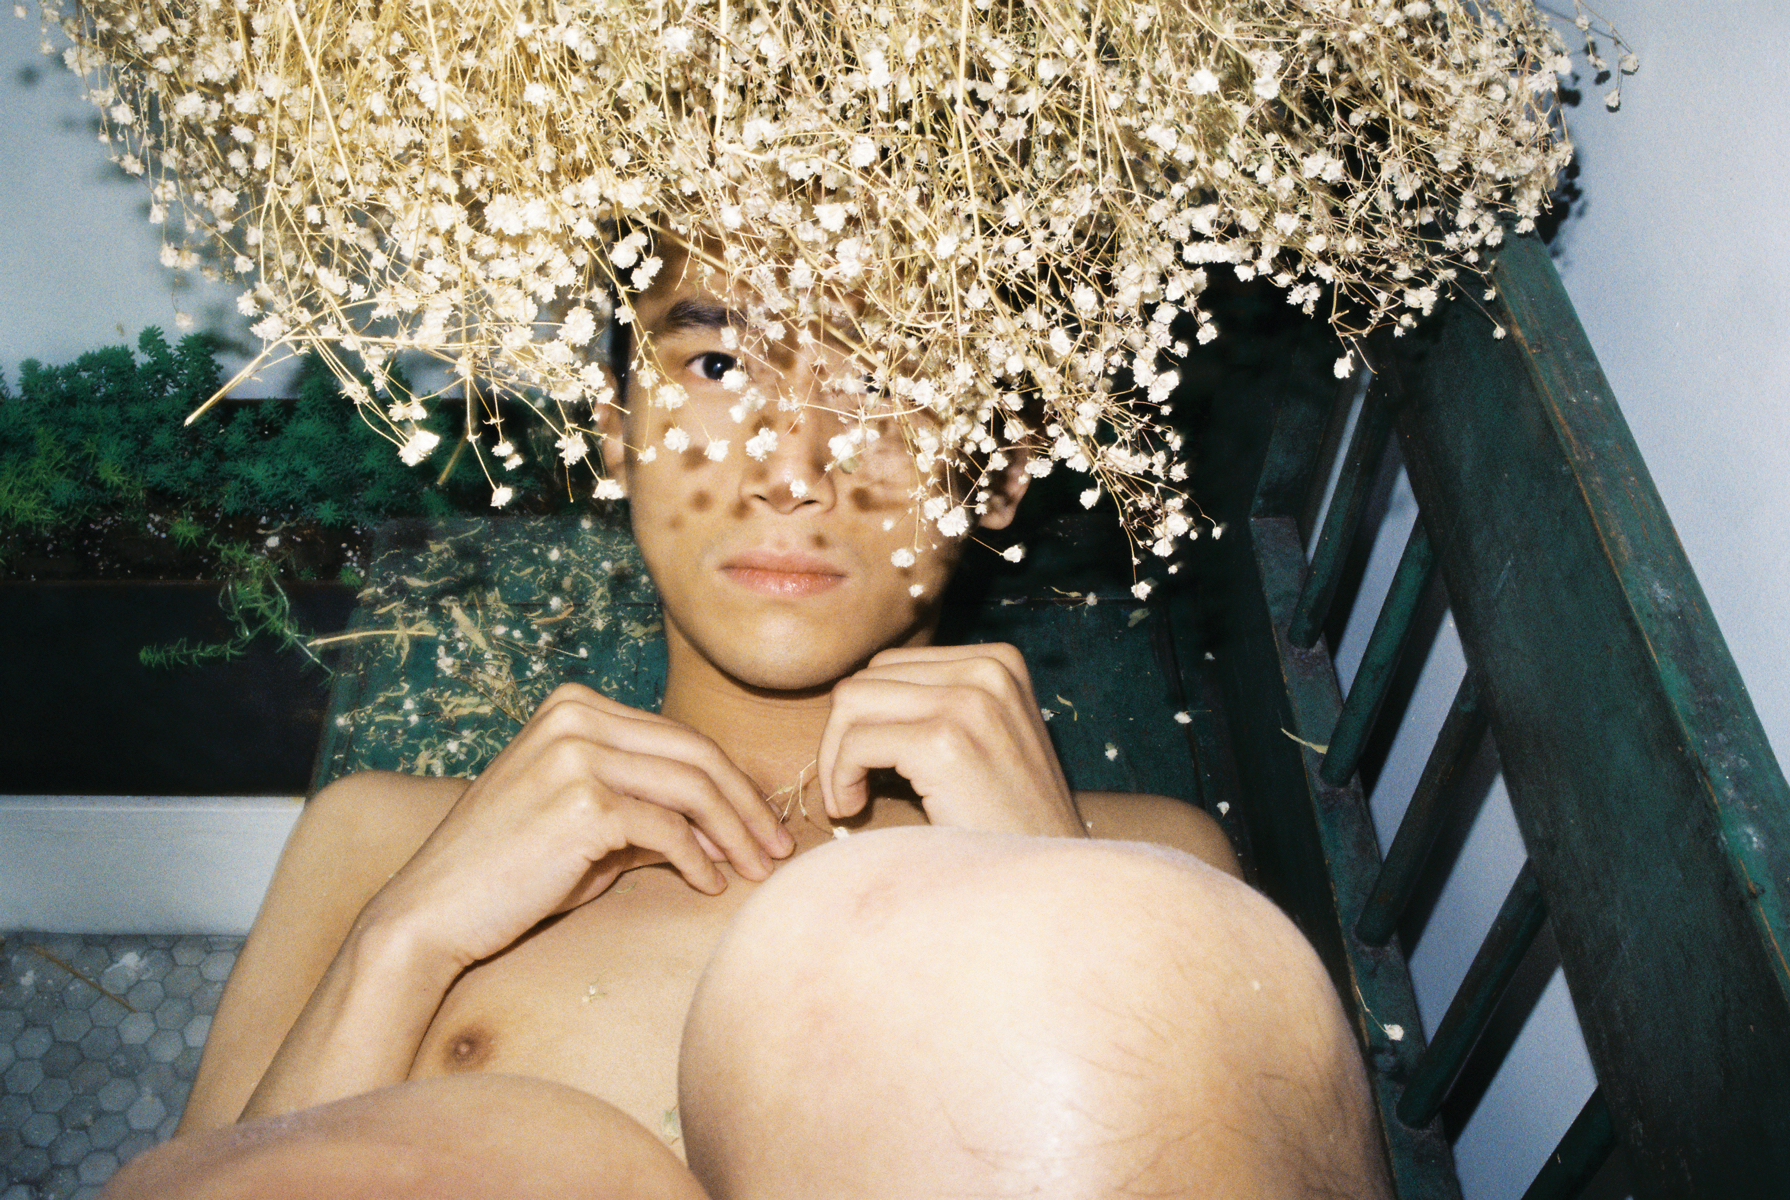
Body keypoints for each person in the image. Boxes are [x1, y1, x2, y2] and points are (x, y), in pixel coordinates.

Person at [101, 240, 1394, 1199]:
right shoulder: (386, 836)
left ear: (995, 472)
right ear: (617, 435)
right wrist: (408, 937)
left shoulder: (1133, 856)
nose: (792, 464)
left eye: (889, 378)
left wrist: (1054, 901)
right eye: (717, 363)